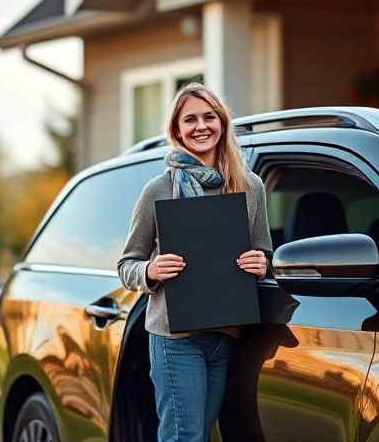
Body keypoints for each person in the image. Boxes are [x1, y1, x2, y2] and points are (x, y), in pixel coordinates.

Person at [117, 82, 273, 442]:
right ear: (177, 130)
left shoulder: (249, 187)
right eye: (190, 120)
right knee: (183, 437)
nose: (201, 126)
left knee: (198, 435)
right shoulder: (158, 189)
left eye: (209, 117)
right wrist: (151, 271)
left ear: (222, 123)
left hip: (224, 336)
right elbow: (128, 264)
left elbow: (264, 251)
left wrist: (260, 262)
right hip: (176, 338)